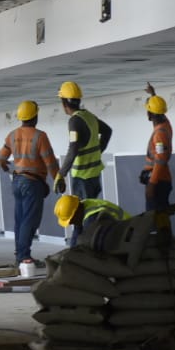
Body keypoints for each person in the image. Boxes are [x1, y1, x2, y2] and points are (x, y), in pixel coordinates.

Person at [0, 100, 60, 268]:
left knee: (20, 219)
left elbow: (1, 156)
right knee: (30, 221)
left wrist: (3, 165)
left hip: (17, 182)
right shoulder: (40, 136)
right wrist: (59, 179)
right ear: (35, 116)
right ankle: (24, 257)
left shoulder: (12, 135)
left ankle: (20, 255)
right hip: (33, 183)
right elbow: (50, 161)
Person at [54, 81, 113, 245]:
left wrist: (61, 174)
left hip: (82, 178)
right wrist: (98, 151)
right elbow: (107, 131)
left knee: (80, 217)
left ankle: (80, 251)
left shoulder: (74, 121)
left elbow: (73, 149)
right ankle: (83, 249)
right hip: (94, 175)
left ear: (64, 102)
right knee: (89, 215)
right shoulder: (89, 116)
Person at [140, 83, 173, 211]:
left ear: (150, 114)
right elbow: (159, 111)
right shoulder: (166, 125)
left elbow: (160, 160)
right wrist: (153, 95)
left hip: (159, 182)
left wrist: (152, 184)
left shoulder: (160, 134)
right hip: (161, 179)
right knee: (160, 217)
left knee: (155, 219)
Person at [54, 193, 129, 248]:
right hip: (124, 231)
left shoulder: (92, 220)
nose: (70, 223)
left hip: (127, 236)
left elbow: (89, 246)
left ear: (76, 212)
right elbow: (76, 233)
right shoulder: (83, 205)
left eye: (71, 220)